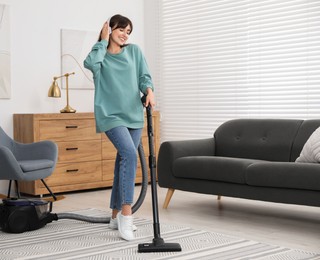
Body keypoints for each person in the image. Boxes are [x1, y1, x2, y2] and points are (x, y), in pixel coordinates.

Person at [84, 14, 155, 241]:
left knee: (121, 163)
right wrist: (102, 41)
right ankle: (127, 215)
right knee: (127, 154)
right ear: (110, 29)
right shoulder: (100, 56)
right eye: (121, 29)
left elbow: (144, 76)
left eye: (128, 31)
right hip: (110, 115)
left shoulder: (134, 52)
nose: (125, 34)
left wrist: (150, 91)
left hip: (134, 114)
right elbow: (89, 63)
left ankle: (114, 217)